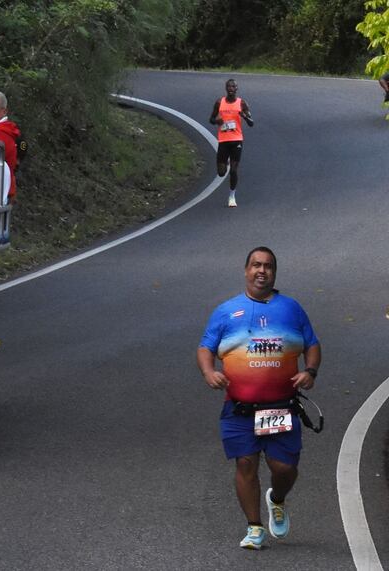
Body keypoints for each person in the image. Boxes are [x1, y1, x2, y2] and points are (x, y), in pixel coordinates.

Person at [197, 247, 321, 550]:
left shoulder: (291, 309)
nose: (261, 271)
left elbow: (312, 344)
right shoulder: (227, 311)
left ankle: (277, 499)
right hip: (240, 409)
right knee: (245, 463)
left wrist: (311, 371)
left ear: (274, 273)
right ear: (246, 270)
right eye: (256, 265)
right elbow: (205, 347)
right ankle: (254, 528)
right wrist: (209, 372)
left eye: (267, 266)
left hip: (281, 407)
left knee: (284, 468)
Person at [210, 79, 253, 208]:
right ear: (225, 88)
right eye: (228, 86)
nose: (230, 88)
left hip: (236, 140)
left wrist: (244, 116)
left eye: (233, 86)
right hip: (223, 140)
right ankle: (225, 162)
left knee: (233, 171)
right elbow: (211, 118)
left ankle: (232, 196)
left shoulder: (242, 103)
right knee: (221, 173)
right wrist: (217, 121)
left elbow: (252, 123)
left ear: (236, 88)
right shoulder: (219, 102)